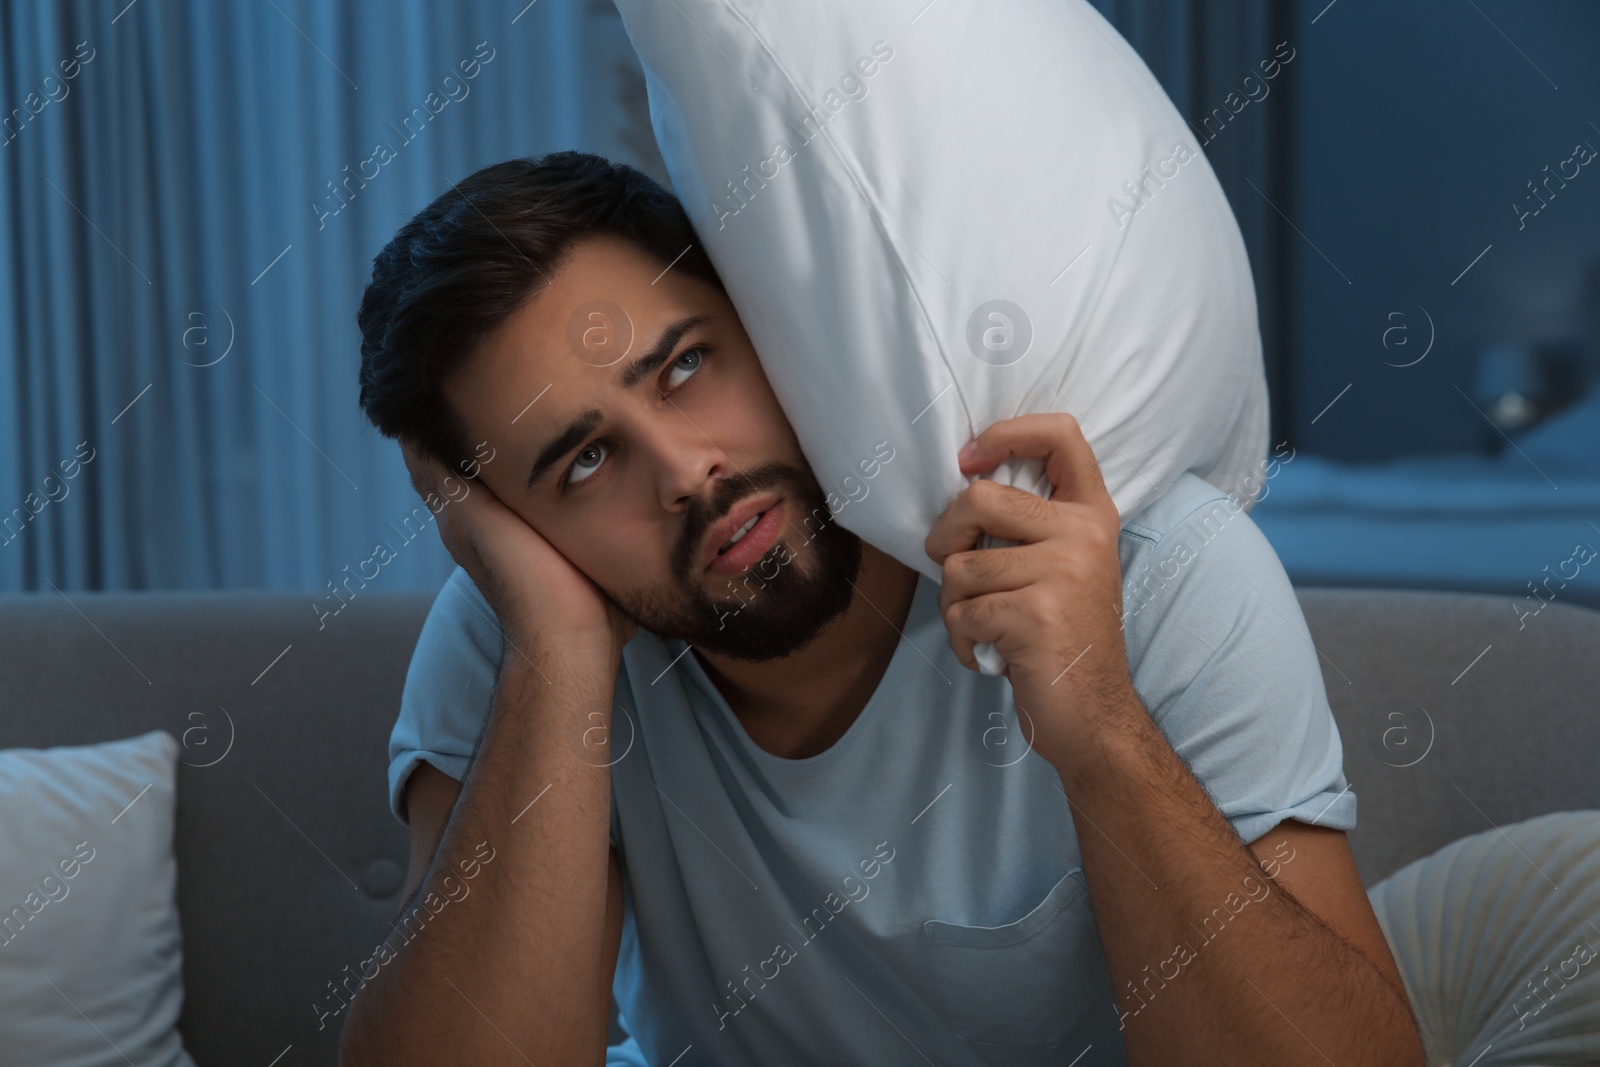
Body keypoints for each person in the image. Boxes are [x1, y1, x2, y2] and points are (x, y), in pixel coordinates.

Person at [342, 151, 1424, 1066]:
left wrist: (1100, 729)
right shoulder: (522, 640)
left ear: (771, 324)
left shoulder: (1152, 563)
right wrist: (560, 650)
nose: (684, 468)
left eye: (683, 365)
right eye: (582, 463)